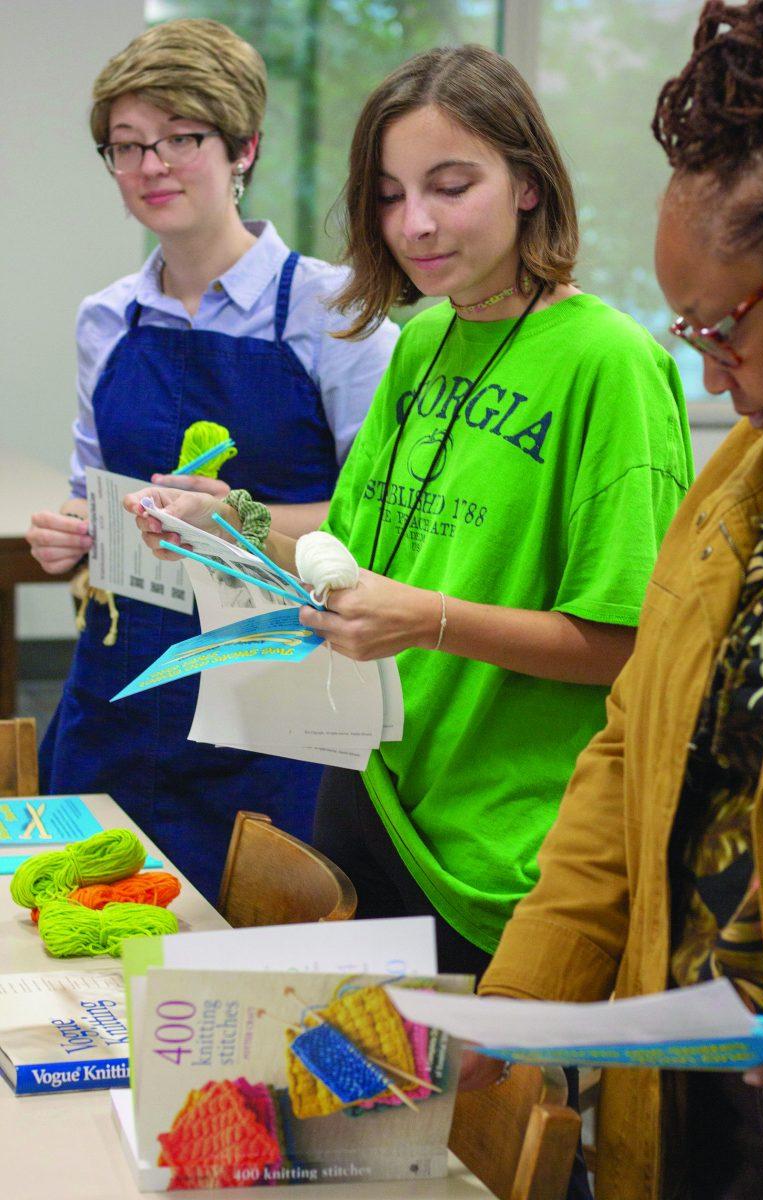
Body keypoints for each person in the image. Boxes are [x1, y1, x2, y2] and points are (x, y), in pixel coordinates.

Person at [127, 41, 692, 975]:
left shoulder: (611, 364)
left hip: (504, 846)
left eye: (450, 184)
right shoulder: (425, 338)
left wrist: (427, 621)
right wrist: (233, 518)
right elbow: (352, 541)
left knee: (478, 1121)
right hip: (377, 787)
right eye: (389, 194)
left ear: (528, 183)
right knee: (361, 1105)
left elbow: (630, 645)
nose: (415, 224)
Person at [475, 2, 763, 1197]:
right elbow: (631, 755)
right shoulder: (737, 489)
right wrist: (516, 1013)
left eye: (723, 328)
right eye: (687, 332)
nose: (709, 374)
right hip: (698, 1102)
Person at [24, 18, 398, 902]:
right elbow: (94, 498)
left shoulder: (336, 312)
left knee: (253, 984)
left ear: (244, 148)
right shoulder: (105, 319)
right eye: (125, 146)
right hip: (120, 693)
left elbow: (385, 522)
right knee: (86, 949)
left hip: (279, 711)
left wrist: (242, 519)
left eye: (180, 138)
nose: (151, 167)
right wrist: (70, 534)